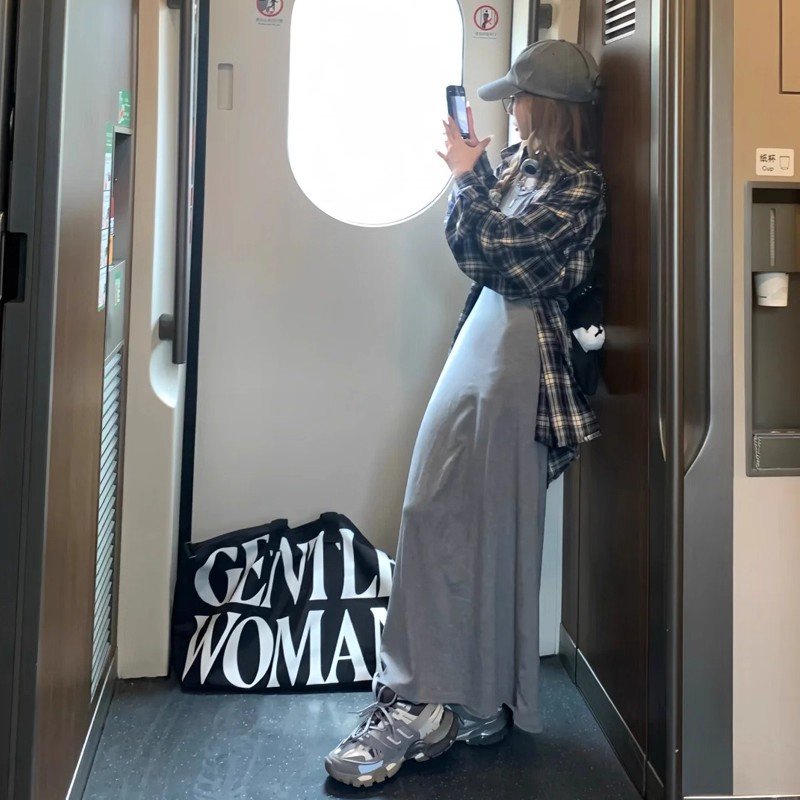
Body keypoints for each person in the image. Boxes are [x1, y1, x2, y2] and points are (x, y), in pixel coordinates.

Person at [324, 40, 606, 789]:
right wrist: (477, 172)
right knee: (451, 519)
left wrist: (464, 179)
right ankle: (465, 698)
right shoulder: (518, 166)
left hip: (516, 365)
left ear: (542, 107)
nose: (509, 109)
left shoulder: (579, 184)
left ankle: (428, 702)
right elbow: (484, 240)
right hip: (486, 353)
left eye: (518, 98)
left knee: (459, 521)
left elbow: (499, 255)